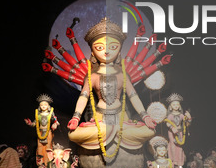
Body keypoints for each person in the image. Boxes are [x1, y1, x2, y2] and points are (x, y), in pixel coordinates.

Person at [67, 18, 156, 155]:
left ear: (119, 50)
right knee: (73, 135)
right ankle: (109, 133)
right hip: (100, 120)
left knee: (150, 131)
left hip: (122, 119)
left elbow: (133, 96)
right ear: (92, 52)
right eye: (100, 48)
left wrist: (145, 117)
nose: (106, 52)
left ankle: (113, 133)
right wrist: (75, 118)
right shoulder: (92, 76)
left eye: (113, 47)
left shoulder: (122, 74)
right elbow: (83, 97)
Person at [24, 94, 59, 159]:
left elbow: (55, 121)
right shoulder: (38, 115)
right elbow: (35, 123)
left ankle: (47, 162)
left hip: (48, 132)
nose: (43, 106)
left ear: (48, 106)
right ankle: (41, 164)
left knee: (48, 147)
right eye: (41, 105)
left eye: (45, 104)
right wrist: (30, 123)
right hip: (40, 132)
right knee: (40, 147)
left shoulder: (50, 113)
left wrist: (55, 124)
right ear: (39, 106)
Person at [164, 93, 192, 168]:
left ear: (179, 106)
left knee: (179, 147)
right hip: (172, 132)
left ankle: (179, 162)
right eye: (174, 105)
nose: (176, 106)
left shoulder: (181, 115)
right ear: (170, 106)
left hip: (179, 132)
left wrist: (189, 118)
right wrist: (172, 128)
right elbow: (167, 123)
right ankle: (173, 161)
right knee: (173, 145)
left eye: (177, 104)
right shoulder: (170, 115)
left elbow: (186, 123)